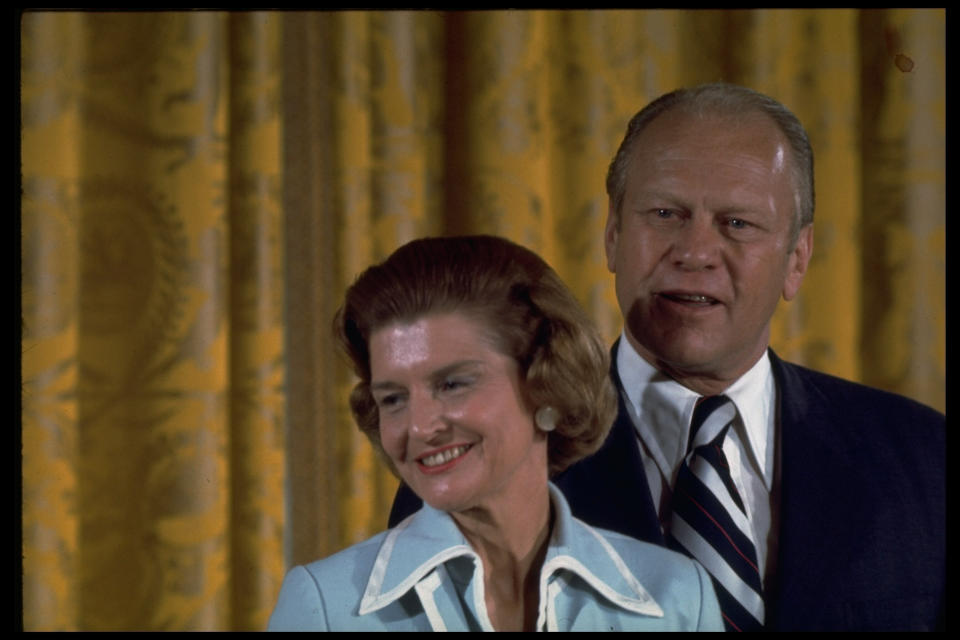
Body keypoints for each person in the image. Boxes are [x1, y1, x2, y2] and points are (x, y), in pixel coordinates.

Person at [390, 84, 945, 631]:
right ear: (612, 233)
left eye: (737, 223)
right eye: (665, 214)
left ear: (797, 258)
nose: (695, 252)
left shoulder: (923, 460)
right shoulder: (475, 464)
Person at [268, 235, 723, 631]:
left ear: (548, 384)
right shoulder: (326, 606)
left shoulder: (676, 597)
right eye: (393, 398)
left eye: (452, 384)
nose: (419, 426)